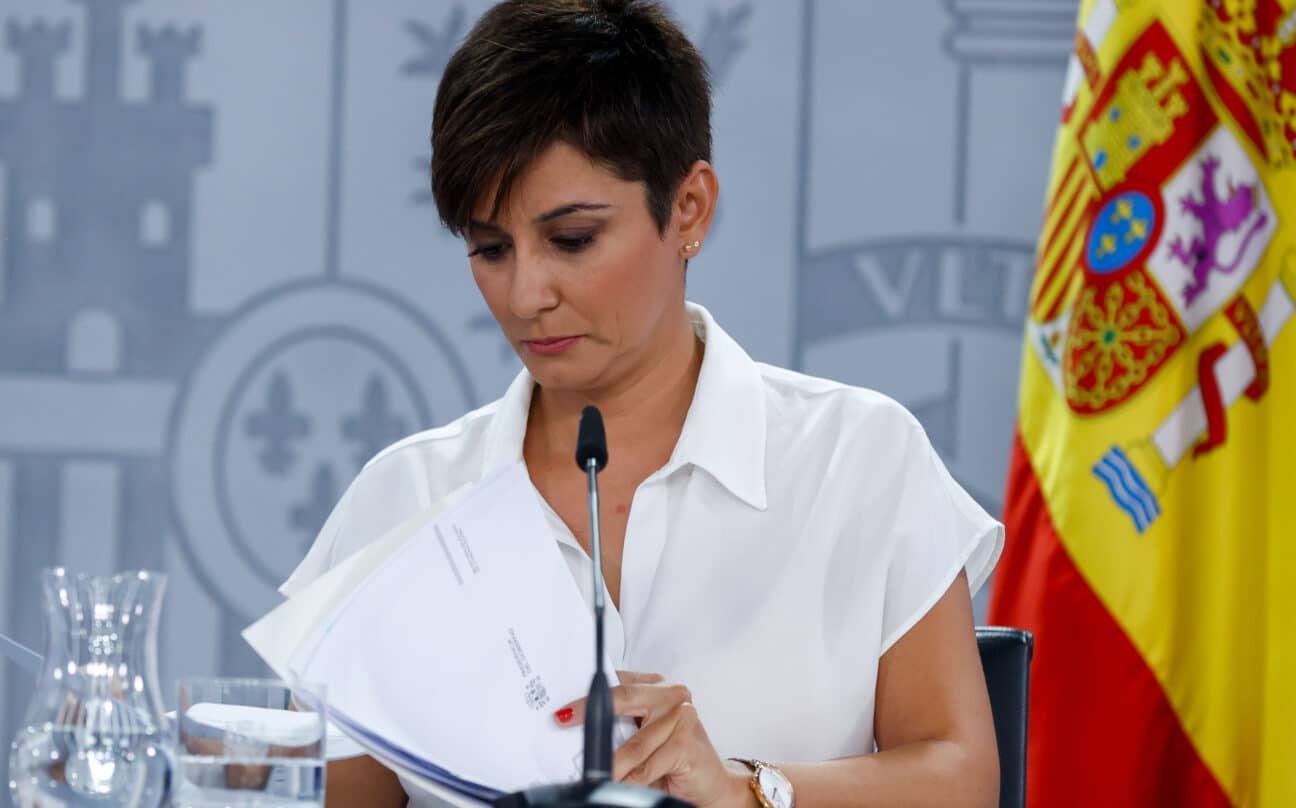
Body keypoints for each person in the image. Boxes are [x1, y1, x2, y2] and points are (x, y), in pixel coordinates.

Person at [283, 1, 1004, 805]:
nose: (525, 296)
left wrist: (744, 792)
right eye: (490, 249)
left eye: (573, 240)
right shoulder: (404, 498)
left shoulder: (856, 456)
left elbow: (959, 775)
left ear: (688, 208)